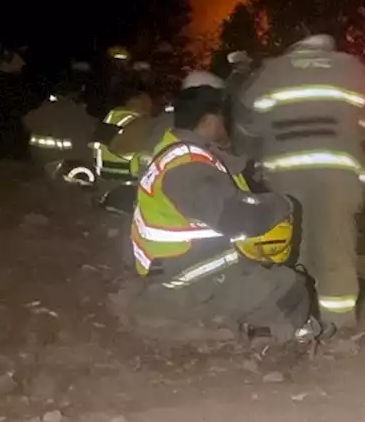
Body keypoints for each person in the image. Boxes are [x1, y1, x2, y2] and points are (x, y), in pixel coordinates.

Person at [115, 85, 315, 344]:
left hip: (174, 266)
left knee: (263, 273)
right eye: (223, 119)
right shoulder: (189, 167)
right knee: (291, 286)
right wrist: (283, 204)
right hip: (186, 279)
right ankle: (267, 341)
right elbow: (236, 218)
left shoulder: (172, 151)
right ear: (209, 121)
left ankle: (225, 326)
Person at [242, 35, 365, 334]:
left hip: (285, 176)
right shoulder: (351, 68)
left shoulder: (272, 71)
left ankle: (294, 324)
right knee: (335, 250)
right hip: (339, 174)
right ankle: (339, 329)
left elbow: (249, 125)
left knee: (292, 251)